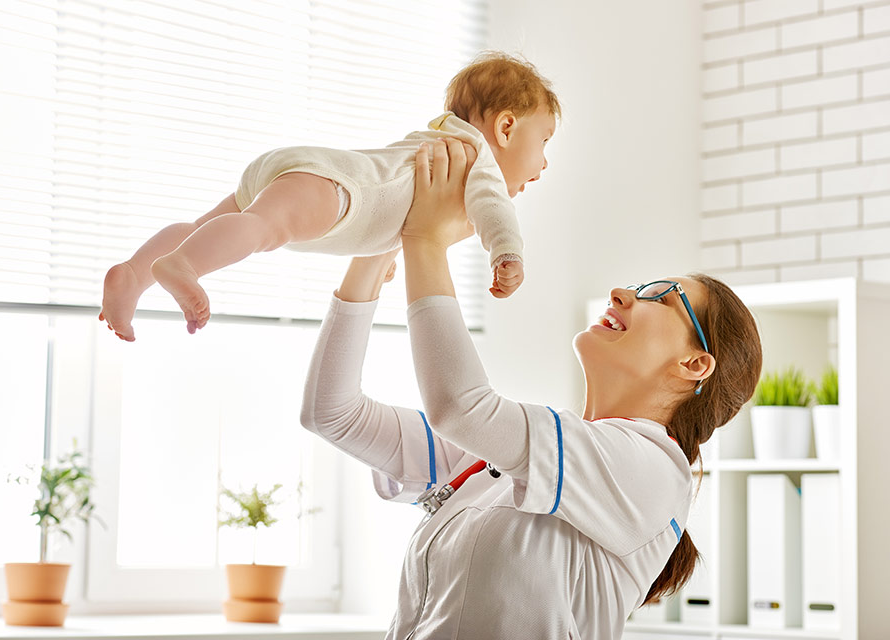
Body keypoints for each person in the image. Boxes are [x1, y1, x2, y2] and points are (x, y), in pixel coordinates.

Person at [299, 139, 764, 639]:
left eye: (660, 296)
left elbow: (461, 407)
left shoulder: (651, 470)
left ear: (694, 364)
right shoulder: (514, 456)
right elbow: (332, 413)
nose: (623, 293)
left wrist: (426, 239)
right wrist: (379, 246)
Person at [98, 52, 560, 341]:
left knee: (209, 228)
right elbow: (492, 207)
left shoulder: (437, 139)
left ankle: (134, 276)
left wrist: (383, 250)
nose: (543, 164)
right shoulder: (472, 156)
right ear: (504, 127)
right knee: (262, 230)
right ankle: (184, 266)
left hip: (310, 172)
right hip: (339, 191)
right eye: (543, 143)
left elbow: (396, 203)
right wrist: (506, 251)